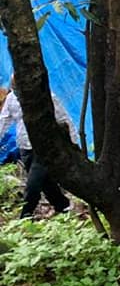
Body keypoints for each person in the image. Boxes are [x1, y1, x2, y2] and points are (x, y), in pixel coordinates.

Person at [0, 78, 76, 219]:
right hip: (24, 147)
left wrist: (73, 141)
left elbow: (63, 118)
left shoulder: (46, 96)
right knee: (45, 183)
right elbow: (3, 121)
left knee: (33, 185)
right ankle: (63, 206)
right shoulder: (11, 100)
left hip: (44, 147)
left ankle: (25, 217)